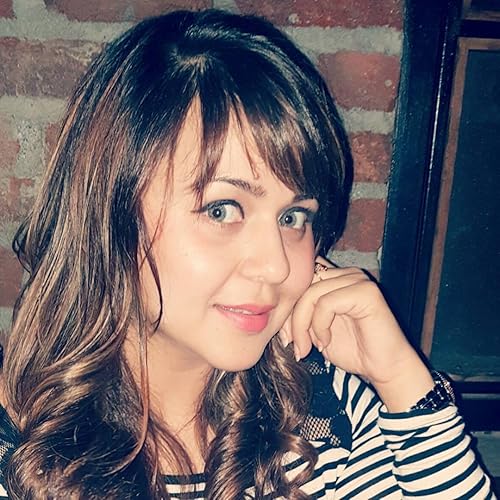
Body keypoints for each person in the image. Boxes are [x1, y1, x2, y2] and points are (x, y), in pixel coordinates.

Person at [0, 8, 495, 499]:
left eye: (293, 217)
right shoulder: (21, 451)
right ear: (110, 211)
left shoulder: (325, 407)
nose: (276, 266)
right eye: (222, 210)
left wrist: (404, 382)